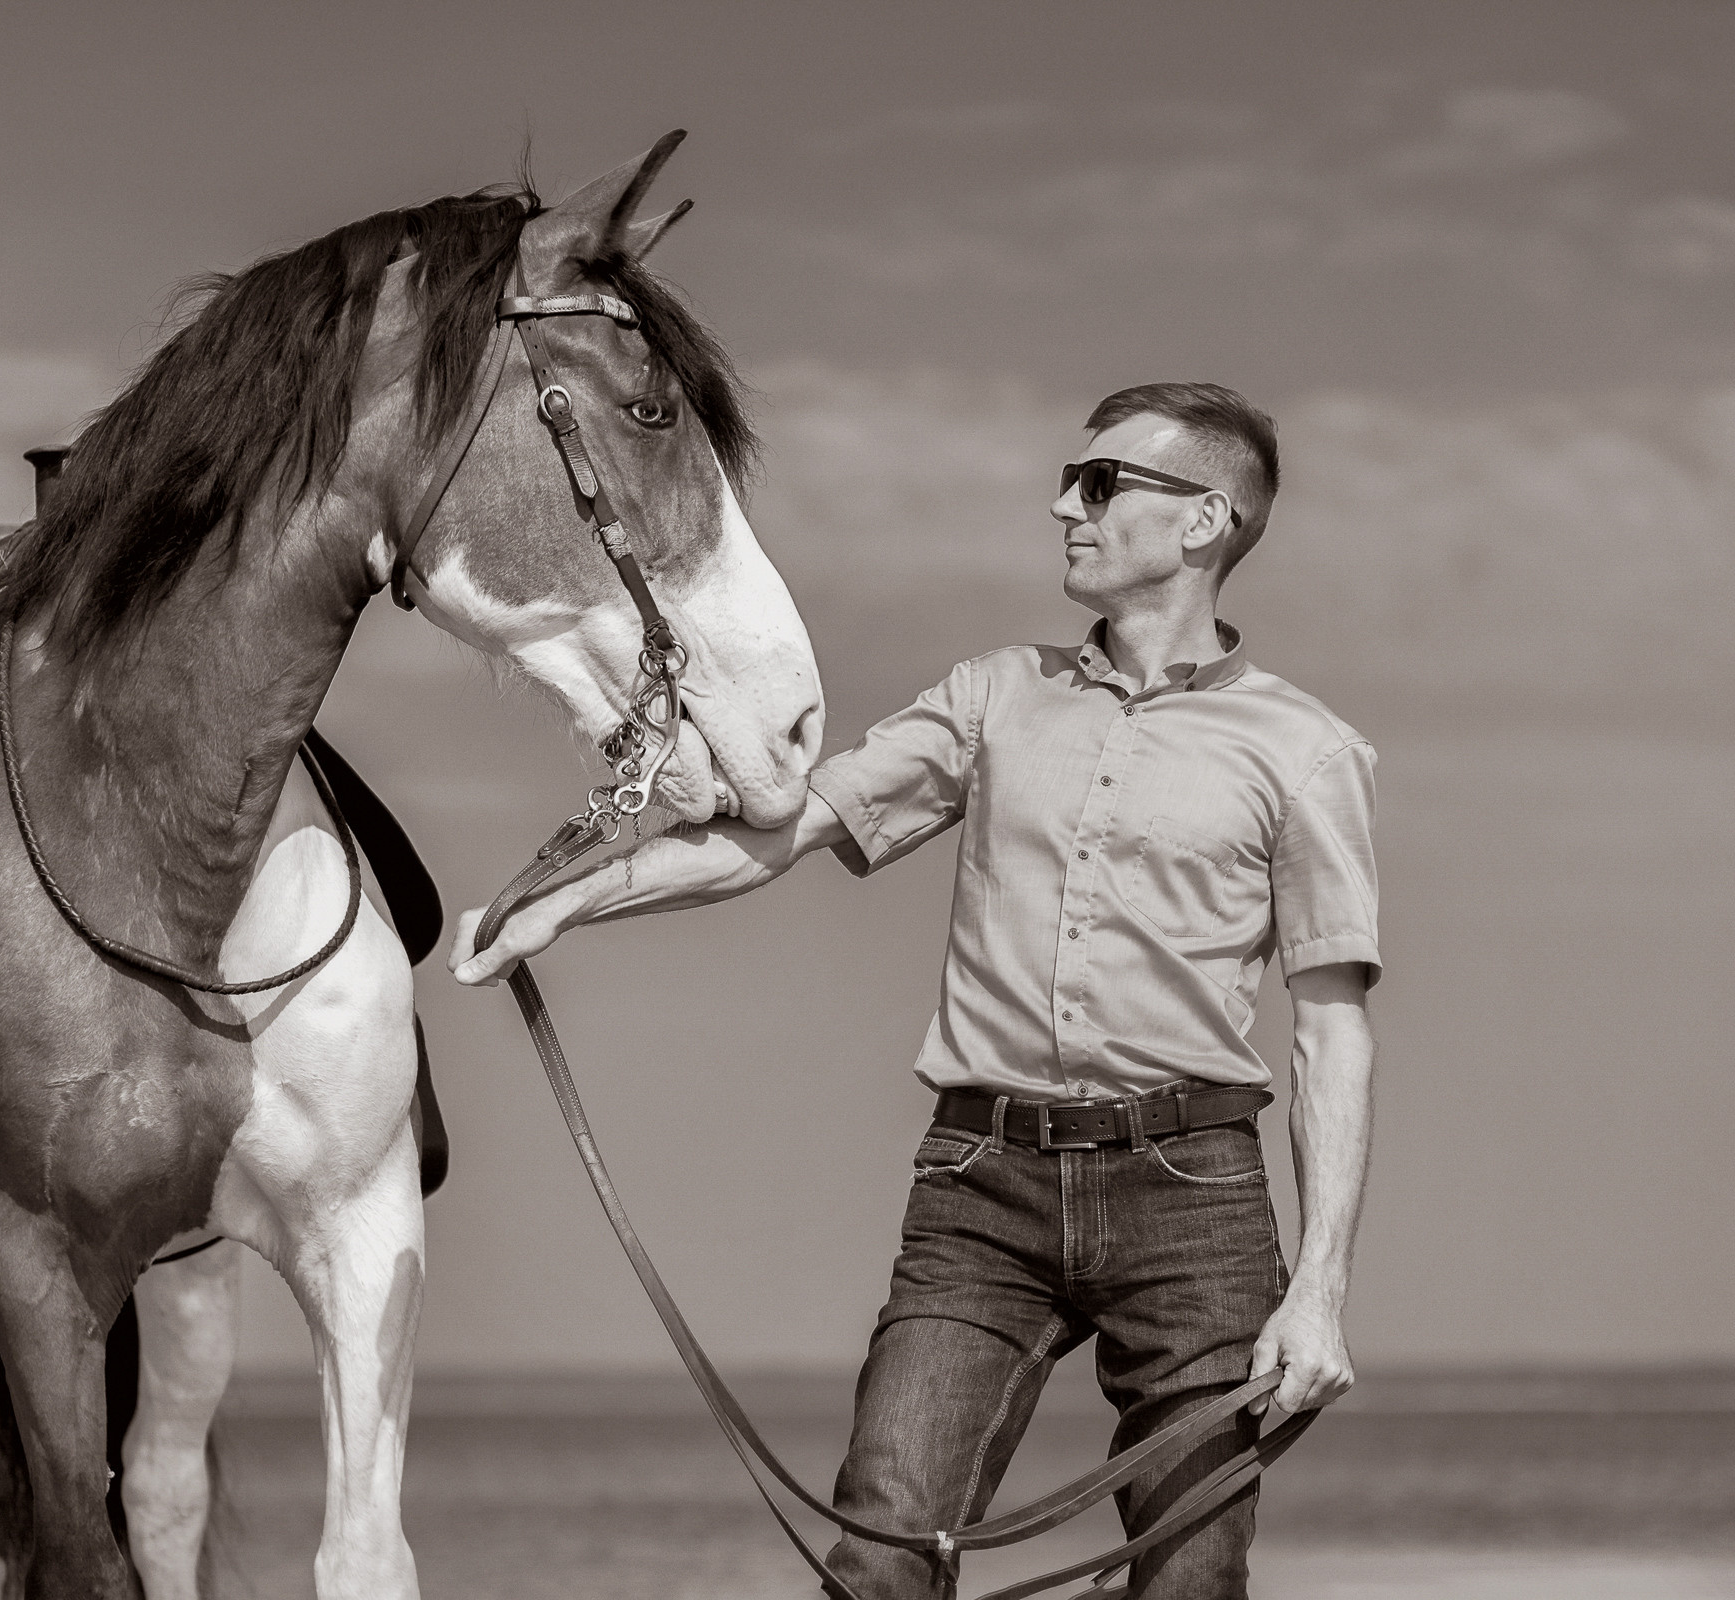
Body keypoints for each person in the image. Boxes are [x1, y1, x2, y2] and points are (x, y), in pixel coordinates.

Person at [451, 382, 1377, 1599]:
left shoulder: (1306, 752)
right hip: (979, 1191)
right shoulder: (992, 694)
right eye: (1068, 479)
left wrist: (1318, 1291)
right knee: (882, 1549)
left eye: (1100, 483)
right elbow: (780, 832)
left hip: (1194, 1196)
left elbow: (1331, 1031)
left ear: (1205, 520)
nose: (1064, 505)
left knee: (1191, 1574)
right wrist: (569, 900)